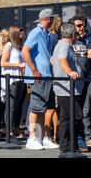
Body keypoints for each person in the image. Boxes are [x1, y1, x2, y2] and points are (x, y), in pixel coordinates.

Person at [22, 8, 59, 150]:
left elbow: (45, 55)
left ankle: (43, 137)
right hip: (39, 76)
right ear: (49, 18)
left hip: (47, 75)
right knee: (36, 108)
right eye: (53, 18)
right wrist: (35, 71)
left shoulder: (47, 34)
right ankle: (32, 137)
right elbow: (26, 50)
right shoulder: (36, 32)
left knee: (43, 108)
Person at [52, 23, 84, 155]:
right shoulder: (64, 45)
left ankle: (67, 145)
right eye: (76, 34)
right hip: (66, 89)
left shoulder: (61, 45)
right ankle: (67, 145)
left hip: (67, 89)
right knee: (74, 116)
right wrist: (69, 71)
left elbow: (52, 60)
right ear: (72, 35)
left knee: (67, 116)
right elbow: (61, 60)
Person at [69, 15, 91, 150]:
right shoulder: (69, 40)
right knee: (76, 110)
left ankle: (87, 136)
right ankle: (78, 138)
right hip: (74, 80)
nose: (81, 27)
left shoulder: (89, 38)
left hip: (88, 77)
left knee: (87, 108)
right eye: (78, 25)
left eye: (83, 25)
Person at [0, 25, 26, 139]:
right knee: (10, 106)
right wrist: (18, 65)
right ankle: (9, 131)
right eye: (20, 31)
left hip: (20, 78)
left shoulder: (18, 46)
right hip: (11, 79)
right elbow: (3, 63)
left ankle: (15, 128)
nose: (22, 32)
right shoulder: (9, 46)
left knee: (17, 105)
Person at [48, 15, 62, 144]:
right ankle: (54, 135)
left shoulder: (50, 37)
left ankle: (54, 135)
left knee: (54, 108)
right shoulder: (55, 38)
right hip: (55, 75)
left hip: (53, 75)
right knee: (53, 108)